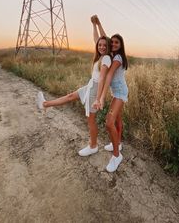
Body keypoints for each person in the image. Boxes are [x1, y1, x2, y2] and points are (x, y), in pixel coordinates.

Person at [36, 17, 112, 157]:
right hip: (90, 86)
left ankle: (93, 146)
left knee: (90, 120)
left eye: (104, 45)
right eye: (99, 45)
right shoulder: (101, 54)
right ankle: (45, 104)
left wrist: (99, 98)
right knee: (70, 96)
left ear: (108, 47)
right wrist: (95, 24)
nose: (101, 46)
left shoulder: (106, 58)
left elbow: (102, 78)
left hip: (94, 91)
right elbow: (98, 39)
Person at [93, 30, 128, 172]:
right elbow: (102, 37)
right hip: (117, 92)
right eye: (111, 42)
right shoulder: (112, 54)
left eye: (116, 42)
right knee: (118, 121)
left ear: (120, 45)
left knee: (109, 123)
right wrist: (98, 23)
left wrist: (101, 97)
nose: (113, 44)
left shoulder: (118, 57)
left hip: (120, 93)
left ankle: (116, 155)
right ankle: (118, 143)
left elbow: (109, 76)